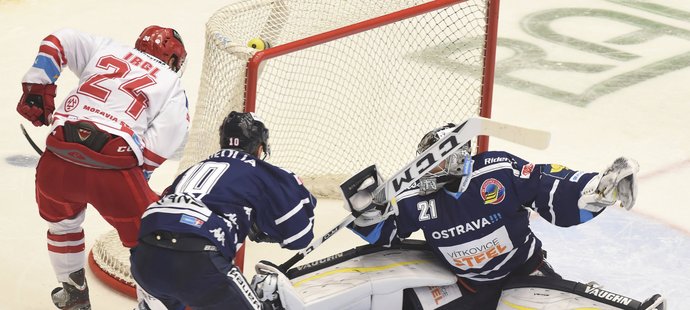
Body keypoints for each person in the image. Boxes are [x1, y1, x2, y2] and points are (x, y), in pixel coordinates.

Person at [346, 123, 665, 310]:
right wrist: (365, 215)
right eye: (425, 163)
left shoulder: (497, 171)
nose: (429, 170)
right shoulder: (417, 197)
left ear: (458, 159)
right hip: (467, 286)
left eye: (437, 162)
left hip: (523, 274)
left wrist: (598, 187)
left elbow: (548, 185)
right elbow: (385, 234)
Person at [15, 26, 189, 309]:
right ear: (173, 60)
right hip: (114, 168)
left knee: (62, 226)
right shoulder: (170, 82)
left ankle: (73, 294)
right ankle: (151, 304)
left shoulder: (107, 48)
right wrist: (138, 175)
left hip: (58, 156)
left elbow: (59, 40)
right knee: (150, 238)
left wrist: (38, 85)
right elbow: (165, 140)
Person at [130, 111, 318, 310]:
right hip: (200, 261)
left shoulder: (191, 170)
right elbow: (300, 237)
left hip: (144, 257)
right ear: (260, 148)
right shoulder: (261, 170)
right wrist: (263, 229)